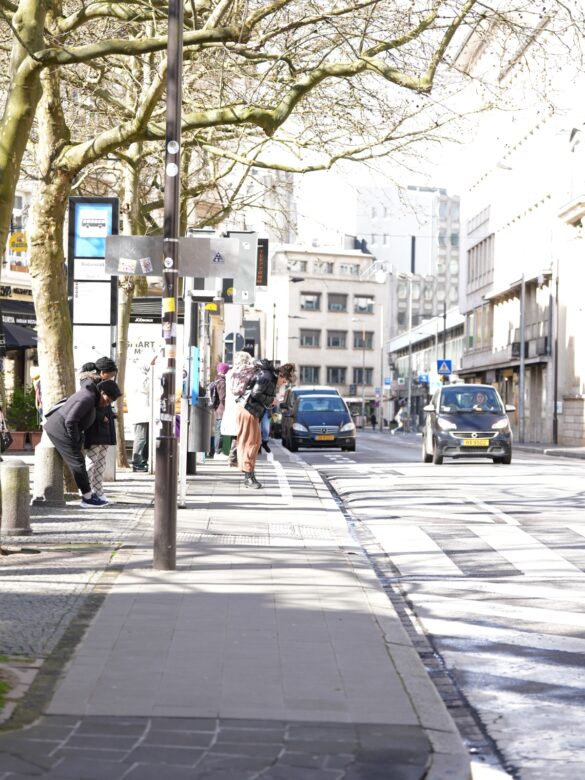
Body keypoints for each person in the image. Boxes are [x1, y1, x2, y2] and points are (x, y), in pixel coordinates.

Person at [44, 379, 122, 507]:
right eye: (107, 400)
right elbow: (70, 421)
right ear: (102, 392)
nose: (106, 404)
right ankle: (87, 498)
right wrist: (76, 440)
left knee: (78, 462)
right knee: (78, 463)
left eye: (109, 402)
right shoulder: (87, 398)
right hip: (59, 430)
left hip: (61, 428)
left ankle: (88, 495)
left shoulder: (91, 396)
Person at [236, 361, 296, 489]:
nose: (283, 383)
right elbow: (255, 393)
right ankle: (248, 476)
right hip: (248, 410)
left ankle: (249, 474)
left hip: (252, 411)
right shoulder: (267, 377)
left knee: (255, 443)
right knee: (250, 443)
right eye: (284, 380)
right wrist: (272, 400)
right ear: (281, 375)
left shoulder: (269, 377)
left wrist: (271, 401)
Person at [79, 358, 118, 504]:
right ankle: (87, 493)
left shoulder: (99, 383)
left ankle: (98, 492)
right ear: (102, 372)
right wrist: (102, 416)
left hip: (104, 428)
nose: (112, 378)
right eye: (111, 374)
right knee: (92, 462)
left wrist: (110, 414)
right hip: (94, 428)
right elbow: (89, 406)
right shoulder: (90, 384)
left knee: (100, 463)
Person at [221, 351, 255, 467]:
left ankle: (234, 458)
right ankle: (235, 458)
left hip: (231, 405)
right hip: (242, 405)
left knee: (237, 433)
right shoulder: (247, 373)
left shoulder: (230, 373)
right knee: (242, 432)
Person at [210, 362, 229, 458]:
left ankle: (217, 451)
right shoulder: (222, 382)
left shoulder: (216, 380)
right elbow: (223, 397)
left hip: (217, 410)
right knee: (220, 431)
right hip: (221, 410)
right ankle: (217, 452)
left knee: (219, 430)